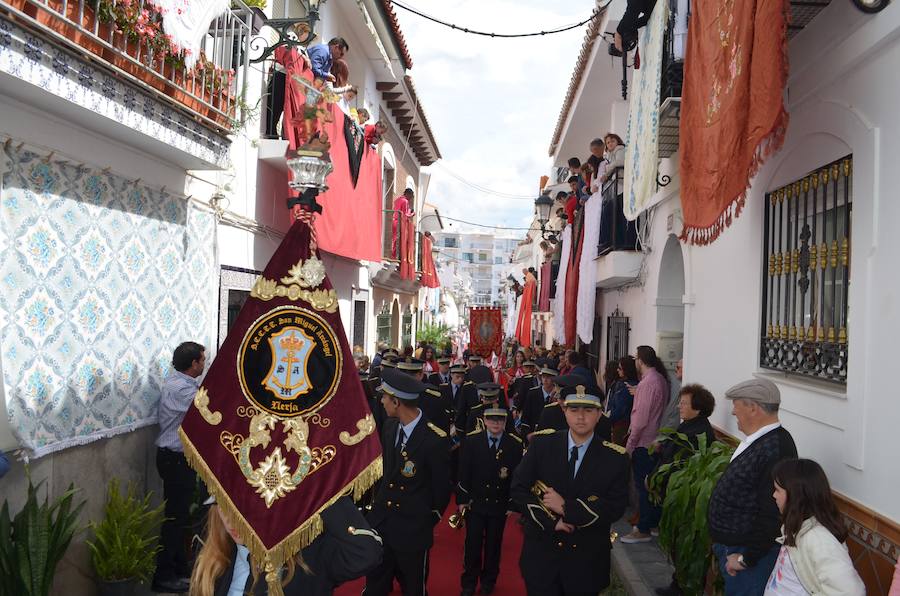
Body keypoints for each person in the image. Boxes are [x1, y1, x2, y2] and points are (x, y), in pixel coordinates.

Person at [511, 385, 629, 595]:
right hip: (541, 556)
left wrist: (566, 508)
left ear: (600, 413)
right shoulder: (542, 445)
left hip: (586, 563)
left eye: (588, 410)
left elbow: (615, 506)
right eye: (574, 410)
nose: (581, 417)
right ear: (564, 410)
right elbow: (519, 488)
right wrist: (551, 521)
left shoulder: (616, 458)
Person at [709, 378, 798, 596]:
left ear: (753, 408)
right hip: (737, 548)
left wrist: (746, 558)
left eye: (736, 405)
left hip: (749, 554)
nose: (732, 412)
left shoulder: (775, 448)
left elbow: (773, 512)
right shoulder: (760, 440)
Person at [189, 495, 381, 596]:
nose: (231, 520)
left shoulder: (308, 557)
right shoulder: (215, 562)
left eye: (241, 506)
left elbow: (365, 553)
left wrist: (319, 484)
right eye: (223, 505)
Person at [365, 369, 451, 596]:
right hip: (382, 526)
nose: (381, 401)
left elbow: (441, 491)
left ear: (397, 402)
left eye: (385, 397)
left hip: (412, 533)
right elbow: (386, 476)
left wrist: (423, 521)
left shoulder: (435, 439)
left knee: (413, 589)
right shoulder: (390, 427)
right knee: (375, 587)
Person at [760, 458, 865, 596]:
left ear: (796, 495)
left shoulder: (819, 539)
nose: (773, 495)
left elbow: (852, 592)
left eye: (778, 490)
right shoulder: (796, 527)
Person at [653, 384, 718, 596]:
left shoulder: (697, 432)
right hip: (675, 494)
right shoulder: (689, 426)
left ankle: (682, 587)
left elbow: (680, 465)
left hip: (684, 498)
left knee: (683, 545)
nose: (679, 406)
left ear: (698, 408)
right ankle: (678, 584)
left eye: (684, 403)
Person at [153, 341, 207, 594]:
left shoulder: (185, 384)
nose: (204, 365)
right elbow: (207, 406)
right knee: (174, 518)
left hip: (179, 459)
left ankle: (177, 569)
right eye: (202, 360)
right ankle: (163, 576)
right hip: (174, 459)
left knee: (180, 516)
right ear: (193, 363)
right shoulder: (179, 388)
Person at [456, 407, 524, 596]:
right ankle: (468, 583)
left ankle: (488, 582)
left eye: (500, 420)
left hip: (498, 504)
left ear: (505, 423)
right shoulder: (472, 441)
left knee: (494, 545)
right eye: (492, 420)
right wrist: (462, 498)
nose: (496, 423)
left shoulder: (514, 444)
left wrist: (512, 503)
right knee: (473, 544)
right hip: (475, 503)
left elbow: (517, 477)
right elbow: (463, 472)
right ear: (484, 421)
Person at [621, 345, 669, 544]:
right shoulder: (659, 380)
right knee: (652, 486)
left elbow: (640, 420)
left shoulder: (648, 383)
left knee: (644, 487)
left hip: (644, 442)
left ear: (640, 360)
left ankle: (643, 528)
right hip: (654, 439)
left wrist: (630, 445)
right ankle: (653, 523)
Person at [519, 366, 558, 439]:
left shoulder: (558, 396)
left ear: (554, 379)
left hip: (552, 436)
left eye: (548, 377)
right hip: (534, 434)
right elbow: (525, 416)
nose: (545, 380)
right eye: (543, 377)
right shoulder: (533, 393)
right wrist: (527, 434)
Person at [392, 188, 415, 259]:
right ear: (408, 194)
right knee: (397, 241)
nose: (410, 199)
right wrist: (412, 214)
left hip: (393, 220)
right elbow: (405, 215)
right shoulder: (405, 201)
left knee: (393, 239)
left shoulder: (397, 200)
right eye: (411, 197)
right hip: (399, 222)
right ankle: (394, 257)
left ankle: (392, 256)